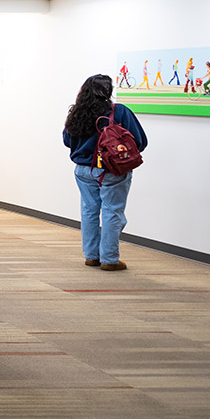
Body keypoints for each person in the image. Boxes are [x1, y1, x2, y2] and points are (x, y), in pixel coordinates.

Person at [62, 74, 148, 271]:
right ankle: (109, 259)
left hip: (83, 170)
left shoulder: (76, 113)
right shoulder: (119, 112)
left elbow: (68, 141)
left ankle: (92, 256)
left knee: (89, 211)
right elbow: (140, 141)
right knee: (113, 212)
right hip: (113, 170)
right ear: (108, 91)